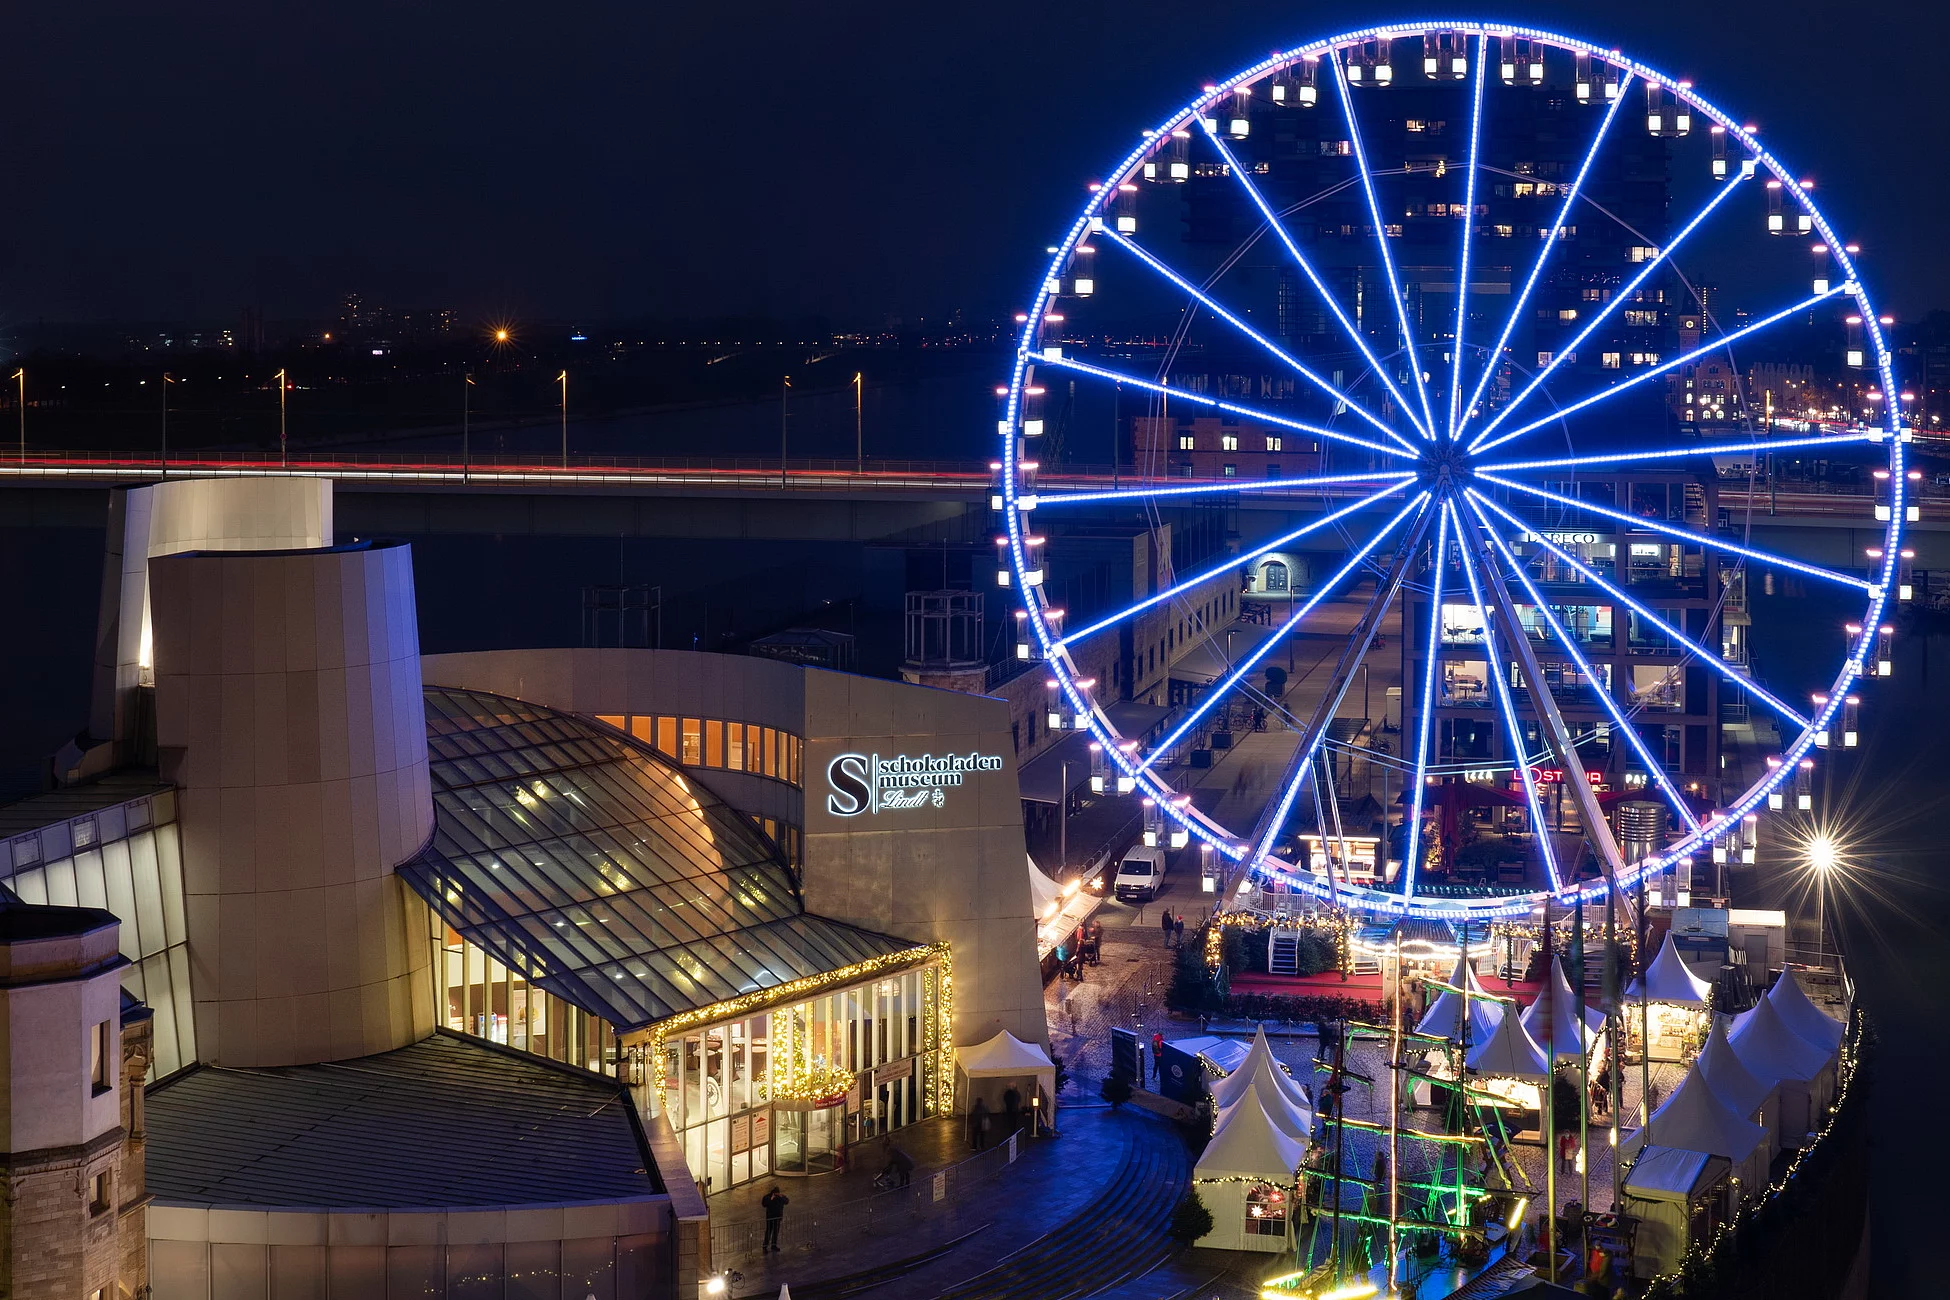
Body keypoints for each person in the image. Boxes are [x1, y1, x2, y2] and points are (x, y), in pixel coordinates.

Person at [761, 1186, 789, 1252]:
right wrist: (771, 1199)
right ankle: (765, 1246)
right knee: (768, 1232)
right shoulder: (767, 1197)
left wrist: (781, 1197)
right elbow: (764, 1204)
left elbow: (786, 1201)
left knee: (775, 1232)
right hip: (770, 1218)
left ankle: (773, 1245)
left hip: (777, 1218)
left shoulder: (780, 1197)